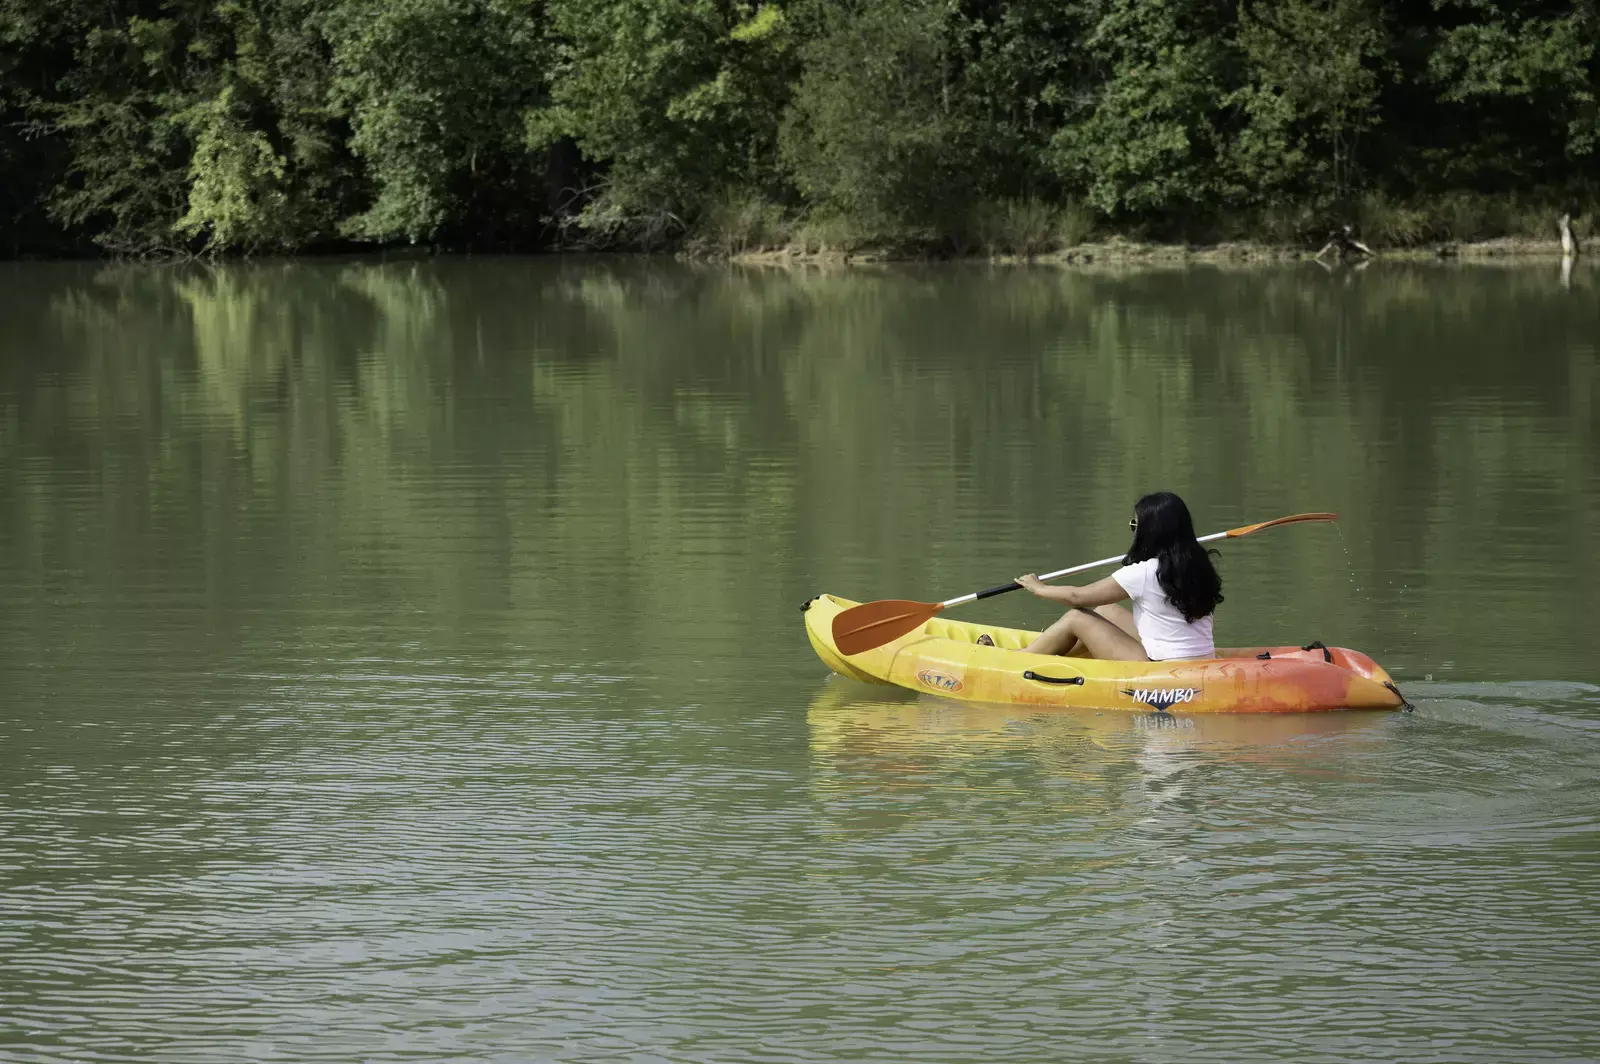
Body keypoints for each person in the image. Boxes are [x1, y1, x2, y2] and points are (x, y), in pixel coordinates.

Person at [1005, 491, 1223, 662]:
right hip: (1201, 658)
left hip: (1159, 666)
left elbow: (1076, 597)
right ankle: (1059, 656)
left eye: (1134, 525)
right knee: (1106, 611)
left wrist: (1039, 588)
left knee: (1076, 617)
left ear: (1150, 532)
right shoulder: (1200, 565)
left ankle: (1019, 658)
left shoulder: (1144, 572)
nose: (1133, 530)